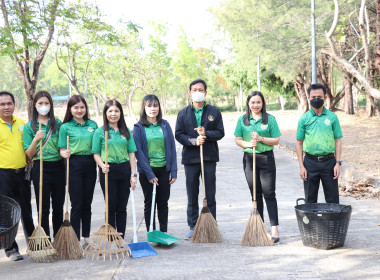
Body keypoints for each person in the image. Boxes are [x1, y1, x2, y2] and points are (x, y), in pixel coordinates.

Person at [175, 79, 225, 240]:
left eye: (200, 89)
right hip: (190, 159)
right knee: (192, 193)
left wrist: (206, 134)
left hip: (209, 157)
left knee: (210, 192)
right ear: (190, 93)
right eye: (194, 89)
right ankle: (192, 225)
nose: (198, 92)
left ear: (205, 92)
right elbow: (179, 134)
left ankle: (212, 224)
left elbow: (220, 132)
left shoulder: (214, 111)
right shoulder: (183, 113)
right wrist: (193, 141)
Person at [234, 91, 281, 243]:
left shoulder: (270, 119)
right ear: (248, 104)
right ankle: (259, 228)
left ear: (263, 103)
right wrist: (248, 144)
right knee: (255, 194)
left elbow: (276, 140)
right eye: (252, 102)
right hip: (249, 159)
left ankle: (274, 228)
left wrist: (260, 139)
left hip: (266, 159)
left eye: (258, 102)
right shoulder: (243, 120)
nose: (255, 105)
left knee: (269, 193)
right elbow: (238, 139)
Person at [92, 99, 137, 239]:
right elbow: (96, 154)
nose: (113, 114)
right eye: (110, 111)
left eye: (116, 111)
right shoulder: (100, 132)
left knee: (122, 207)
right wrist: (102, 165)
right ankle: (111, 237)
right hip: (108, 170)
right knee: (110, 206)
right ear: (105, 113)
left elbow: (131, 153)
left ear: (120, 113)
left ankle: (121, 237)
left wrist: (133, 175)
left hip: (124, 170)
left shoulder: (126, 131)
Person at [23, 91, 65, 239]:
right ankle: (45, 240)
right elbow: (28, 153)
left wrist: (64, 153)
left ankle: (59, 240)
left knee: (58, 206)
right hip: (40, 167)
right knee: (43, 207)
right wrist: (35, 139)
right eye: (40, 103)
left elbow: (62, 146)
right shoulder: (29, 127)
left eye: (46, 103)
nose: (43, 106)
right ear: (35, 105)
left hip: (58, 167)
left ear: (51, 105)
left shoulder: (58, 123)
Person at [133, 95, 177, 234]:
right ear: (144, 108)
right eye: (149, 106)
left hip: (164, 170)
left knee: (163, 203)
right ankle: (151, 233)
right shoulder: (138, 127)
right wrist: (149, 174)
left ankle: (163, 233)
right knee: (149, 203)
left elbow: (171, 147)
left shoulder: (165, 124)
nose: (153, 109)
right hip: (147, 172)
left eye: (155, 105)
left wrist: (173, 171)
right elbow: (138, 152)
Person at [58, 95, 98, 247]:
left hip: (90, 164)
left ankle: (86, 238)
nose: (79, 110)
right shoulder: (65, 127)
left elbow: (98, 146)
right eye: (76, 107)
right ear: (70, 109)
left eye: (82, 107)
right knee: (77, 204)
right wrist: (64, 153)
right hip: (73, 164)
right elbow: (62, 149)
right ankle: (75, 240)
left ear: (86, 108)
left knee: (87, 203)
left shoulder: (92, 124)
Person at [0, 91, 35, 261]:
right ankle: (11, 249)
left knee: (26, 210)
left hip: (21, 174)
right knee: (7, 213)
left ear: (14, 104)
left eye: (9, 103)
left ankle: (33, 244)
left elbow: (27, 148)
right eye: (2, 104)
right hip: (3, 175)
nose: (6, 107)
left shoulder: (22, 123)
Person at [296, 83, 343, 203]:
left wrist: (337, 163)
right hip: (310, 163)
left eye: (319, 97)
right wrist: (301, 166)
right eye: (313, 97)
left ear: (325, 97)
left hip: (329, 163)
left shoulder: (332, 117)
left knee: (332, 199)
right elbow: (299, 143)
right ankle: (312, 222)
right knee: (310, 199)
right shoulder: (304, 119)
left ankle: (332, 222)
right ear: (309, 98)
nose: (316, 99)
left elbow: (338, 141)